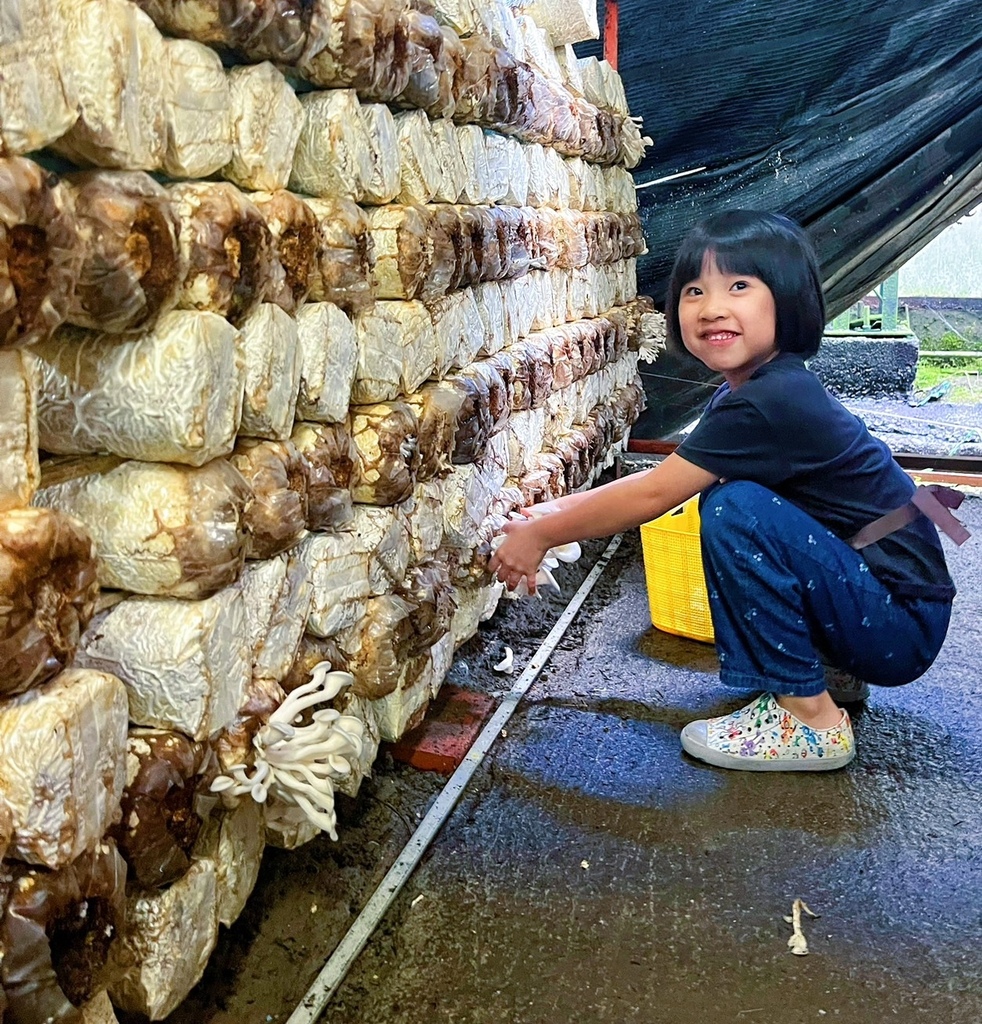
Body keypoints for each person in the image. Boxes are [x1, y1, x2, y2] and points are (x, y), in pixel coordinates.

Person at [488, 209, 960, 772]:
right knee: (736, 502)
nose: (712, 306)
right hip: (885, 603)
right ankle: (824, 675)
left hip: (899, 624)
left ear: (787, 302)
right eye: (694, 290)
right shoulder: (757, 390)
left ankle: (810, 721)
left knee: (737, 511)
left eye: (738, 285)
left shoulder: (767, 403)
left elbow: (653, 496)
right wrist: (550, 511)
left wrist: (542, 532)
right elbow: (666, 478)